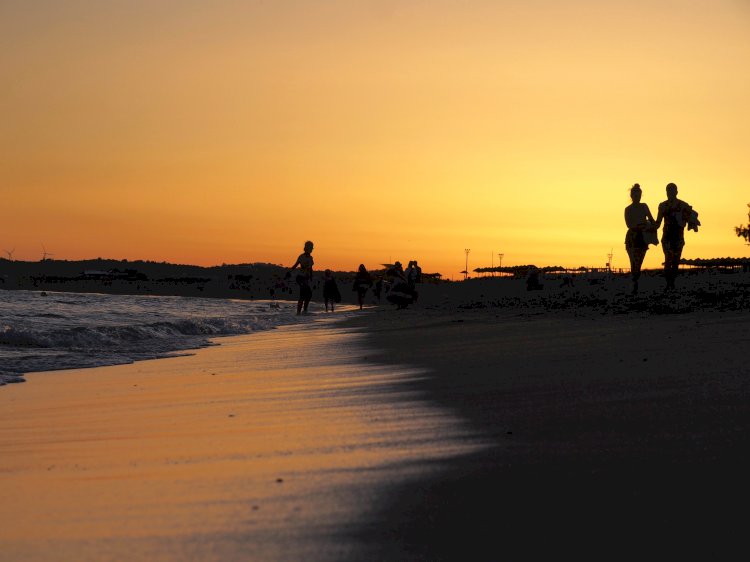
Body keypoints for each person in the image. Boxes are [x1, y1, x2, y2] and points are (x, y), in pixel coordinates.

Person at [654, 183, 698, 291]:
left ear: (676, 192)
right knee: (668, 259)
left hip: (678, 238)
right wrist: (646, 225)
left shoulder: (683, 205)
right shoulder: (663, 205)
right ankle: (669, 284)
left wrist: (693, 224)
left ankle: (671, 283)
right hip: (667, 237)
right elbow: (658, 223)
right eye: (669, 191)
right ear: (666, 192)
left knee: (675, 262)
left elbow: (692, 217)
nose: (670, 193)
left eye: (672, 191)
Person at [624, 183, 656, 295]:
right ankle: (634, 285)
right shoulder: (627, 209)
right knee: (634, 263)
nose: (638, 197)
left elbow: (652, 220)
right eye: (636, 195)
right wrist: (642, 225)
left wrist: (651, 225)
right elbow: (629, 225)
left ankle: (635, 283)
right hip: (632, 238)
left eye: (639, 195)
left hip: (642, 238)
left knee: (639, 263)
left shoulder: (644, 206)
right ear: (632, 196)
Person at [287, 240, 314, 315]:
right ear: (307, 248)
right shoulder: (301, 256)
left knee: (309, 295)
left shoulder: (311, 258)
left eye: (312, 247)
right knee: (302, 294)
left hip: (306, 278)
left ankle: (304, 310)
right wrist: (289, 272)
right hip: (300, 278)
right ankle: (298, 312)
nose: (312, 249)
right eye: (311, 247)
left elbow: (311, 268)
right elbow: (295, 265)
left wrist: (311, 277)